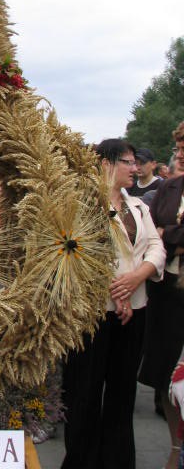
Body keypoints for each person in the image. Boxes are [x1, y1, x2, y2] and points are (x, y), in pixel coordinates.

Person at [61, 138, 166, 469]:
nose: (135, 168)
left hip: (135, 312)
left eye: (136, 162)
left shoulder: (138, 207)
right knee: (84, 392)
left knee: (122, 392)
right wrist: (116, 292)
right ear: (106, 164)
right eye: (128, 162)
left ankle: (117, 460)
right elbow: (76, 256)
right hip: (92, 315)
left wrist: (138, 277)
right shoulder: (81, 205)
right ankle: (82, 460)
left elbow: (156, 248)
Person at [139, 121, 184, 469]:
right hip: (168, 294)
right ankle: (175, 448)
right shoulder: (169, 189)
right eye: (179, 148)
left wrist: (170, 234)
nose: (180, 154)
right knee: (168, 374)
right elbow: (151, 234)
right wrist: (171, 235)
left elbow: (163, 233)